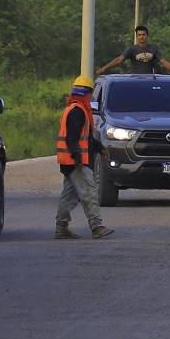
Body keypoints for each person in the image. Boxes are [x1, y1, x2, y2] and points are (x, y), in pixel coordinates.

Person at [54, 75, 114, 239]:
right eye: (90, 94)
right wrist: (78, 159)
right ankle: (96, 227)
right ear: (86, 93)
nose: (91, 98)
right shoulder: (78, 111)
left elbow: (87, 138)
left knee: (69, 196)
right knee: (89, 192)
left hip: (70, 161)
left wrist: (100, 149)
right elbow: (72, 139)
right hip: (77, 162)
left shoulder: (76, 109)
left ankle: (61, 228)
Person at [96, 25, 170, 76]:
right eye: (139, 35)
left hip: (149, 80)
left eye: (143, 34)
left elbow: (164, 62)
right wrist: (103, 69)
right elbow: (119, 60)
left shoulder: (153, 49)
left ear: (147, 36)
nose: (141, 37)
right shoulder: (132, 49)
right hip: (135, 80)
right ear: (136, 37)